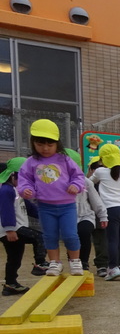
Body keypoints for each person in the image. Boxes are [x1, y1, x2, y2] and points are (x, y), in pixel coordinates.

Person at [16, 119, 85, 276]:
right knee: (49, 235)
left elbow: (78, 176)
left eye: (50, 144)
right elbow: (24, 180)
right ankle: (55, 262)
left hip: (67, 206)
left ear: (57, 143)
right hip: (45, 206)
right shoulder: (31, 162)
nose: (45, 148)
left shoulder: (64, 159)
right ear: (33, 143)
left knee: (70, 234)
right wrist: (26, 190)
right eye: (40, 144)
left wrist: (76, 185)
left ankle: (75, 261)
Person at [1, 158, 48, 294]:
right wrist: (10, 229)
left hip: (15, 228)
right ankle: (40, 263)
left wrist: (46, 216)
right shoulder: (6, 190)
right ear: (12, 175)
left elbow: (30, 208)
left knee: (15, 258)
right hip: (12, 229)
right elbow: (6, 210)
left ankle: (10, 285)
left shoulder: (17, 190)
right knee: (39, 237)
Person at [92, 144, 120, 281]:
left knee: (112, 240)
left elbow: (89, 183)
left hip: (111, 209)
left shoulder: (100, 171)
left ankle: (113, 268)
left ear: (102, 160)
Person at [64, 149, 108, 272]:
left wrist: (103, 216)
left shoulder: (85, 182)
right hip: (67, 217)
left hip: (85, 215)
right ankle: (74, 260)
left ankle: (83, 262)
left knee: (84, 233)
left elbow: (96, 200)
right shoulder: (56, 184)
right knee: (71, 237)